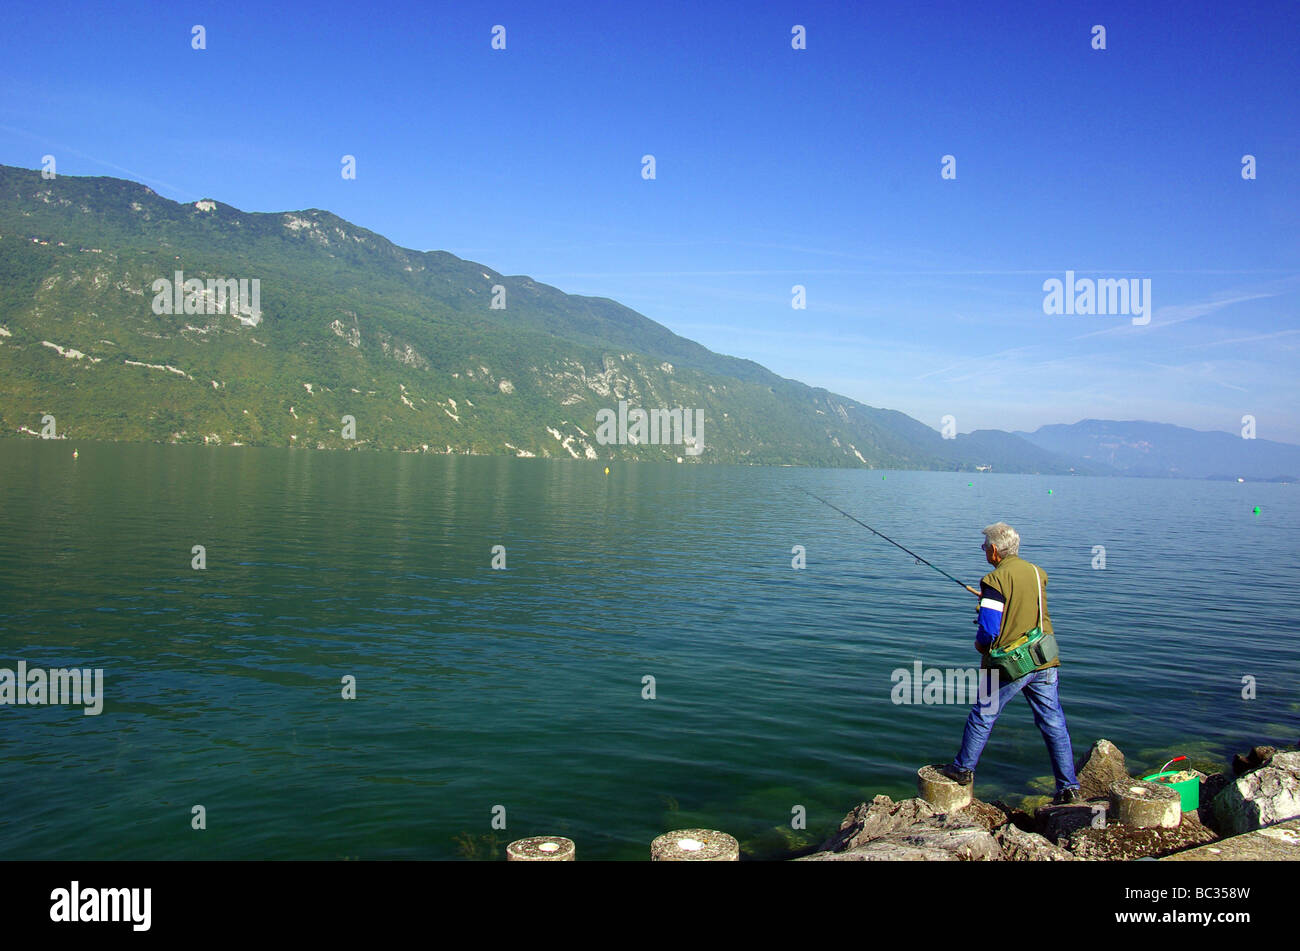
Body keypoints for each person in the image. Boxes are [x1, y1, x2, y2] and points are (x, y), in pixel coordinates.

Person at [941, 522, 1082, 805]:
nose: (983, 551)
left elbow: (990, 631)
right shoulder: (1036, 572)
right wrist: (993, 602)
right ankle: (1069, 788)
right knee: (1053, 722)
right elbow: (1024, 605)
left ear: (994, 550)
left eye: (984, 547)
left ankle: (962, 769)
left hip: (1012, 664)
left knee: (983, 714)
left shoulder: (994, 580)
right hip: (1044, 659)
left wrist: (980, 643)